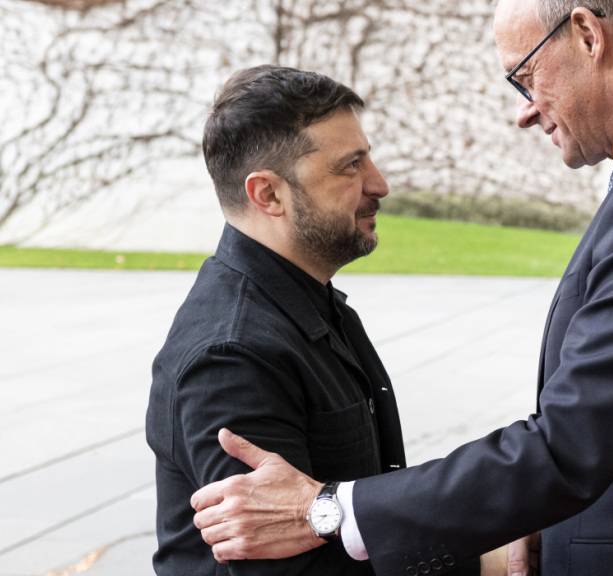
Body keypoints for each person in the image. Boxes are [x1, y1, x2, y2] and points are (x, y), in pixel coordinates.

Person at [190, 2, 613, 575]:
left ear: (587, 34)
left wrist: (326, 511)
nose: (524, 109)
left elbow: (571, 443)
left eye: (525, 76)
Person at [145, 65, 441, 575]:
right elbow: (282, 570)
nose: (380, 184)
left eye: (368, 157)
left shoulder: (306, 300)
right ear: (268, 195)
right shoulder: (231, 354)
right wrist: (480, 560)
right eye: (350, 166)